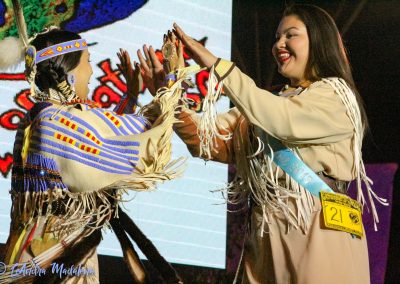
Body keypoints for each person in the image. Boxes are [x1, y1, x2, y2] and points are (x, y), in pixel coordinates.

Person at [139, 4, 387, 284]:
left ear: (318, 40)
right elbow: (207, 140)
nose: (279, 44)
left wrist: (217, 65)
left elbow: (283, 121)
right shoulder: (268, 103)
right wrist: (169, 94)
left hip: (319, 229)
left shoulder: (336, 96)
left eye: (290, 35)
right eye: (277, 37)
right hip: (267, 231)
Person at [0, 24, 184, 283]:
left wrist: (132, 95)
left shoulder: (44, 116)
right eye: (88, 62)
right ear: (69, 72)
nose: (91, 71)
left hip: (46, 252)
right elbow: (137, 136)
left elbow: (102, 138)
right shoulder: (55, 121)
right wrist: (171, 82)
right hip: (54, 260)